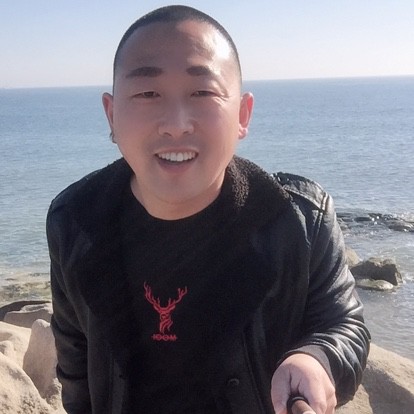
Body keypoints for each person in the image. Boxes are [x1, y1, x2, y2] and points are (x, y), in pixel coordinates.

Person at [47, 5, 370, 414]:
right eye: (147, 94)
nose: (176, 124)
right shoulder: (75, 221)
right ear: (112, 115)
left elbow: (343, 325)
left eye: (202, 93)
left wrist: (316, 359)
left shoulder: (298, 219)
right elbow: (75, 364)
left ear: (243, 114)